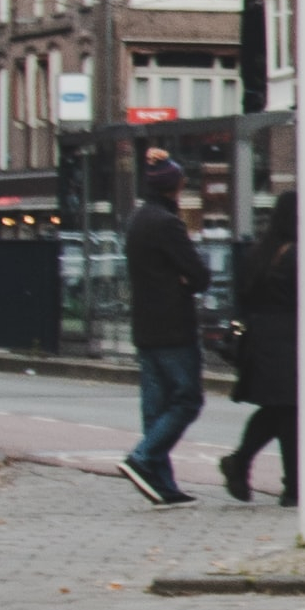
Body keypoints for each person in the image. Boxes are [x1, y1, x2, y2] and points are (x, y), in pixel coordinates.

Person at [117, 156, 213, 505]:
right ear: (176, 186)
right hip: (174, 327)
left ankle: (162, 484)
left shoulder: (138, 220)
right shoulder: (167, 224)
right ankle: (142, 458)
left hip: (144, 327)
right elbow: (199, 275)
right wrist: (186, 282)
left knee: (156, 408)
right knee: (188, 400)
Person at [215, 193, 300, 506]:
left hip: (261, 341)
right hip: (288, 342)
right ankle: (292, 486)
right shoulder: (296, 256)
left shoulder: (258, 254)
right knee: (289, 411)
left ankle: (240, 462)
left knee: (277, 410)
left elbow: (244, 297)